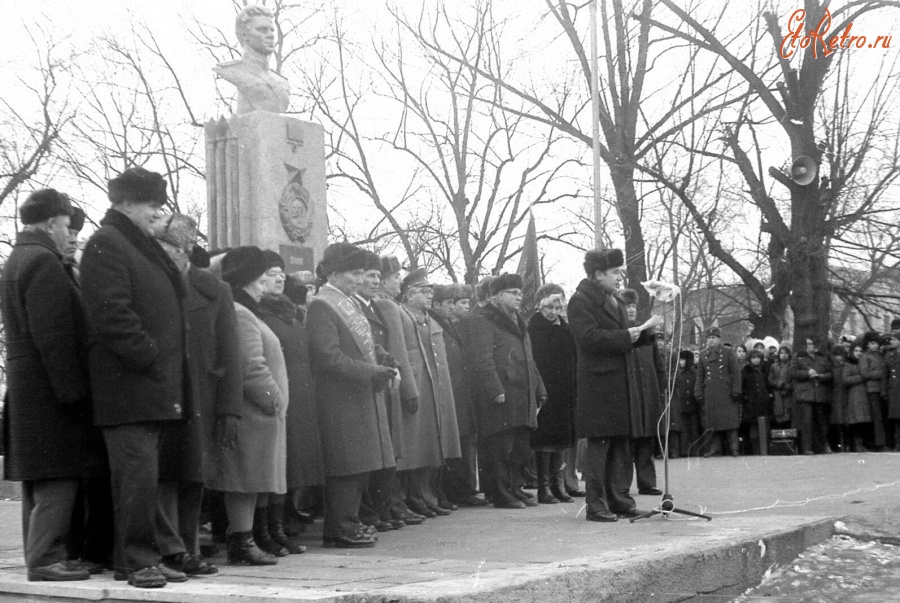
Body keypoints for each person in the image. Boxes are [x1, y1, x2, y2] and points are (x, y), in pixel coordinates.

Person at [80, 168, 190, 588]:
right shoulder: (107, 243)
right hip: (130, 385)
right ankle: (134, 561)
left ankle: (147, 555)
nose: (157, 213)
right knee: (135, 478)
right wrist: (150, 356)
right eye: (151, 205)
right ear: (125, 202)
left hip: (150, 384)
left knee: (144, 479)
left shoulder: (136, 243)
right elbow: (111, 313)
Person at [1, 190, 106, 582]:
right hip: (49, 390)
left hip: (28, 386)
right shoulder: (44, 262)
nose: (69, 234)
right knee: (58, 474)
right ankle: (46, 559)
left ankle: (46, 552)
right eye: (65, 226)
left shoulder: (19, 258)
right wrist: (73, 392)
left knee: (40, 476)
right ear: (50, 224)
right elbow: (54, 336)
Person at [151, 214, 237, 576]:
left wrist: (230, 409)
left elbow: (231, 354)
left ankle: (187, 547)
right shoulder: (149, 283)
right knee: (163, 475)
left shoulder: (215, 290)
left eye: (172, 248)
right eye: (161, 248)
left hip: (203, 394)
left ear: (186, 251)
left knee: (193, 474)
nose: (167, 255)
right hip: (161, 392)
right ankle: (171, 549)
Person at [307, 243, 397, 548]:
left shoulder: (347, 302)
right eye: (354, 273)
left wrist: (384, 359)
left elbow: (366, 344)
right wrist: (370, 373)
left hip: (358, 393)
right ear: (334, 274)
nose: (359, 279)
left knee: (360, 464)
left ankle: (349, 522)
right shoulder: (323, 305)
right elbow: (327, 357)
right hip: (340, 397)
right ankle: (340, 527)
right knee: (346, 465)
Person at [567, 249, 662, 522]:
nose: (620, 277)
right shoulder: (580, 301)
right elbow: (587, 338)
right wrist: (626, 336)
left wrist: (646, 333)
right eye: (615, 273)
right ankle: (595, 505)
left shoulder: (613, 300)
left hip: (618, 383)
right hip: (599, 385)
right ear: (598, 274)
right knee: (600, 446)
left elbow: (623, 337)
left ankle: (620, 500)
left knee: (620, 445)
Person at [214, 246, 289, 565]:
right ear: (245, 281)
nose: (264, 287)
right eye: (260, 280)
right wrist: (275, 398)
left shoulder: (245, 311)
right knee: (244, 481)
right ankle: (241, 542)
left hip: (260, 413)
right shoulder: (241, 314)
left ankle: (245, 539)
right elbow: (250, 365)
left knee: (251, 480)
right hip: (254, 411)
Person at [463, 273, 546, 509]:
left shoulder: (518, 320)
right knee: (500, 448)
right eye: (513, 293)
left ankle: (515, 488)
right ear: (498, 296)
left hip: (521, 392)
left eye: (520, 293)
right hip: (502, 393)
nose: (519, 297)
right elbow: (482, 360)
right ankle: (500, 493)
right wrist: (494, 389)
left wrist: (540, 388)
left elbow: (529, 359)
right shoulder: (484, 320)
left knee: (519, 446)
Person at [396, 269, 462, 516]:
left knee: (433, 444)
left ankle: (427, 494)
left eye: (430, 291)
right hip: (418, 385)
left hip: (436, 387)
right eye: (424, 292)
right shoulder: (403, 315)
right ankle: (414, 496)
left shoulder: (428, 318)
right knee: (416, 446)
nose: (429, 296)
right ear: (409, 294)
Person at [353, 251, 405, 532]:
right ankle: (369, 511)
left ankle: (380, 509)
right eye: (370, 276)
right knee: (370, 451)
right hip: (367, 383)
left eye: (377, 276)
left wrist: (392, 364)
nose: (374, 281)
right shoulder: (354, 307)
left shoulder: (374, 306)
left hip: (382, 381)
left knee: (385, 450)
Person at [430, 283, 486, 507]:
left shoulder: (450, 324)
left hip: (459, 391)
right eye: (450, 303)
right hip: (451, 390)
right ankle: (453, 492)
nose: (453, 307)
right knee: (453, 444)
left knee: (462, 442)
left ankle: (462, 490)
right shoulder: (439, 324)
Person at [527, 284, 578, 504]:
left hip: (564, 388)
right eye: (549, 307)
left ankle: (558, 484)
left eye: (557, 307)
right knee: (545, 438)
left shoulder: (565, 328)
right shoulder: (533, 328)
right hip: (545, 388)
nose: (553, 312)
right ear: (540, 305)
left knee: (561, 438)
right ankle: (544, 486)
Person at [616, 288, 664, 496]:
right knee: (627, 443)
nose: (632, 310)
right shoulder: (619, 335)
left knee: (647, 439)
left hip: (648, 394)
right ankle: (623, 485)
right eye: (627, 306)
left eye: (634, 305)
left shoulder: (645, 332)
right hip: (629, 395)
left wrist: (661, 389)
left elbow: (658, 364)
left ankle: (647, 482)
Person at [213, 5, 290, 114]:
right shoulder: (231, 70)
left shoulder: (282, 83)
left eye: (272, 30)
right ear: (244, 35)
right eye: (263, 30)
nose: (271, 35)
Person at [695, 327, 742, 457]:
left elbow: (736, 372)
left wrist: (736, 390)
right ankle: (715, 449)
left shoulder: (728, 352)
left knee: (730, 423)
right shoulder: (703, 354)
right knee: (712, 422)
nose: (711, 340)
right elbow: (700, 375)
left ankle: (734, 448)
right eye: (709, 338)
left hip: (726, 391)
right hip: (710, 392)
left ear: (719, 338)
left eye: (713, 338)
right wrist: (698, 392)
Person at [789, 335, 833, 455]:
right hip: (805, 393)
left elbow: (830, 374)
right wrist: (807, 373)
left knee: (821, 421)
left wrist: (821, 376)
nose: (809, 346)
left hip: (819, 393)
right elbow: (792, 373)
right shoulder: (798, 356)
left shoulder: (823, 358)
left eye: (811, 344)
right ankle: (807, 447)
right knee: (806, 422)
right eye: (808, 343)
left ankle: (822, 446)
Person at [859, 331, 889, 452]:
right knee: (877, 417)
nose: (875, 345)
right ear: (867, 344)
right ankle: (879, 443)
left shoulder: (879, 355)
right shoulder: (865, 357)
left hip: (882, 388)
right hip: (872, 389)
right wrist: (882, 374)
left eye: (876, 343)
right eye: (872, 343)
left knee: (883, 416)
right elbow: (865, 373)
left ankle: (884, 441)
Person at [740, 350, 772, 455]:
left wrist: (769, 395)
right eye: (754, 357)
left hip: (764, 402)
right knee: (753, 426)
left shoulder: (765, 369)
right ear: (750, 359)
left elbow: (769, 383)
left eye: (758, 357)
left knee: (764, 425)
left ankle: (765, 450)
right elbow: (742, 386)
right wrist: (746, 398)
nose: (756, 359)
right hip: (751, 403)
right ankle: (755, 450)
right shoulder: (745, 370)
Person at [843, 343, 872, 452]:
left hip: (864, 393)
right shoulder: (848, 364)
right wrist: (862, 377)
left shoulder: (864, 362)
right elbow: (845, 379)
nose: (858, 353)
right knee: (856, 419)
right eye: (856, 351)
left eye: (860, 351)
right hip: (854, 394)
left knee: (864, 419)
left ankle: (862, 443)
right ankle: (856, 444)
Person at [673, 351, 701, 457]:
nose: (681, 362)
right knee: (684, 429)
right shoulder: (679, 373)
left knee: (694, 429)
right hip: (682, 405)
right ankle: (684, 451)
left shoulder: (695, 373)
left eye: (683, 360)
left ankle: (695, 450)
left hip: (694, 405)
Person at [769, 345, 794, 428]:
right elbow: (770, 380)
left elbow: (794, 379)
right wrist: (781, 384)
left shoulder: (793, 366)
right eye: (781, 353)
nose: (783, 355)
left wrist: (788, 387)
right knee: (779, 414)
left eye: (786, 353)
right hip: (778, 394)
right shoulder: (774, 366)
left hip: (790, 394)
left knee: (789, 415)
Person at [886, 331, 900, 451]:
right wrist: (884, 392)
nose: (891, 342)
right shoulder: (890, 355)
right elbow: (886, 375)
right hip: (894, 389)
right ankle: (897, 443)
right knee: (896, 418)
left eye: (894, 340)